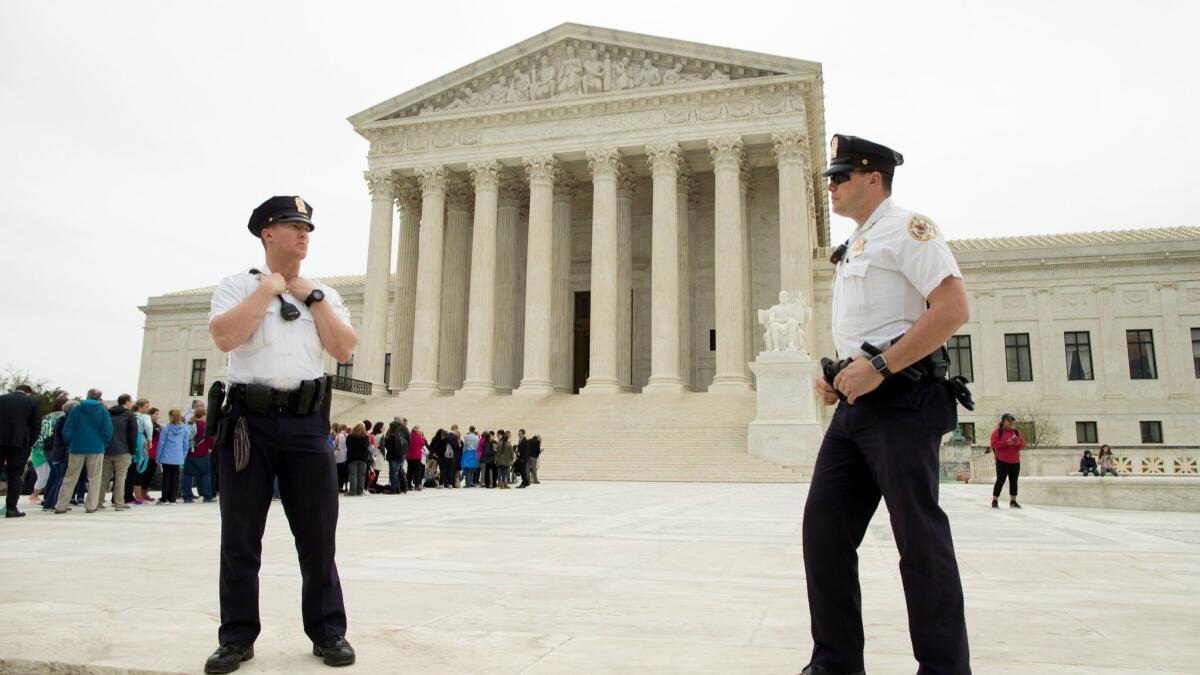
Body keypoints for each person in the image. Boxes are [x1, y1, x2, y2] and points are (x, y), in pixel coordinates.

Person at [803, 134, 972, 675]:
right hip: (855, 408)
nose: (831, 185)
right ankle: (836, 663)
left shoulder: (908, 229)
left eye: (841, 175)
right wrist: (837, 373)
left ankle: (944, 669)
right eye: (831, 176)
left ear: (873, 177)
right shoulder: (854, 243)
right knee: (823, 535)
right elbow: (869, 328)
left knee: (919, 542)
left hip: (903, 402)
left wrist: (878, 368)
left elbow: (952, 309)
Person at [204, 195, 357, 673]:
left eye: (307, 227)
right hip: (249, 425)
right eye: (293, 225)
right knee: (241, 536)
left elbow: (344, 349)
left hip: (308, 425)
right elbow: (226, 337)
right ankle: (236, 638)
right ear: (267, 233)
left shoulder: (324, 294)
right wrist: (267, 291)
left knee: (318, 536)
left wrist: (309, 297)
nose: (303, 234)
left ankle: (329, 631)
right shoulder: (235, 287)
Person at [55, 389, 112, 514]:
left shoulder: (76, 409)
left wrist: (70, 443)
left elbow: (67, 430)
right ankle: (91, 506)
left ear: (87, 396)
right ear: (99, 397)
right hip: (96, 447)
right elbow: (108, 431)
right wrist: (104, 443)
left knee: (70, 477)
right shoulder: (103, 410)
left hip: (76, 447)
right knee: (94, 478)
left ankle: (61, 505)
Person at [0, 384, 42, 517]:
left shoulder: (2, 399)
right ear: (28, 392)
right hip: (20, 443)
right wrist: (30, 442)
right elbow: (36, 426)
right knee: (15, 476)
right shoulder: (33, 402)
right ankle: (11, 508)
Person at [99, 393, 138, 511]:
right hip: (123, 451)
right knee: (120, 478)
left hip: (107, 450)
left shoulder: (107, 414)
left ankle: (97, 502)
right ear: (126, 402)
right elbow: (133, 435)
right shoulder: (130, 416)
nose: (132, 404)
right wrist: (132, 451)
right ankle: (119, 503)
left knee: (103, 478)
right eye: (131, 401)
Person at [29, 396, 66, 506]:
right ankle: (36, 496)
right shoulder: (62, 416)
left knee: (44, 475)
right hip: (51, 447)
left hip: (38, 448)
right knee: (51, 475)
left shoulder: (46, 417)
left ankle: (39, 496)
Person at [41, 398, 74, 512]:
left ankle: (48, 501)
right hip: (61, 450)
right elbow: (66, 436)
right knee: (61, 478)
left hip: (48, 448)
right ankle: (53, 502)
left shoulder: (46, 417)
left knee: (55, 477)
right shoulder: (64, 419)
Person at [988, 413, 1025, 509]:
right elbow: (993, 444)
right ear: (1003, 421)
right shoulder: (997, 432)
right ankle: (994, 500)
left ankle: (1013, 501)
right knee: (1000, 480)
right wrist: (1006, 443)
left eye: (1012, 420)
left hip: (1015, 461)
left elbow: (1023, 445)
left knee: (1014, 481)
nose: (1011, 422)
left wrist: (1017, 443)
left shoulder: (1016, 432)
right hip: (1002, 460)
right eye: (1008, 420)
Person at [182, 404, 215, 503]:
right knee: (205, 475)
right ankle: (207, 496)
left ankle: (187, 497)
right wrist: (210, 447)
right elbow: (209, 438)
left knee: (188, 475)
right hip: (202, 452)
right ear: (204, 414)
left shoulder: (190, 424)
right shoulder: (204, 425)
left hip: (189, 453)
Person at [156, 409, 189, 503]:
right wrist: (183, 457)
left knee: (166, 477)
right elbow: (186, 445)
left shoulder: (166, 428)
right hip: (178, 457)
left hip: (166, 457)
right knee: (175, 478)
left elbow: (161, 444)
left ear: (170, 416)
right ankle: (173, 498)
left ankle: (164, 498)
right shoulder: (184, 429)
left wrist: (158, 458)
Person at [345, 423, 370, 496]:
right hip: (363, 458)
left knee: (353, 475)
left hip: (352, 458)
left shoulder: (350, 437)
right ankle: (359, 491)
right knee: (361, 475)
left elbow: (348, 446)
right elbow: (366, 447)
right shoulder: (365, 437)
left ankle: (352, 492)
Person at [383, 420, 407, 494]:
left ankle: (394, 489)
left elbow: (389, 447)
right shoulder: (399, 435)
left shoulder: (391, 436)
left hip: (393, 457)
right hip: (399, 457)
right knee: (396, 473)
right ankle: (399, 489)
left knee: (393, 473)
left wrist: (385, 441)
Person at [407, 426, 426, 491]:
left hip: (409, 456)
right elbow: (423, 443)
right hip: (416, 456)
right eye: (418, 430)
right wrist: (421, 436)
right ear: (416, 430)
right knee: (417, 471)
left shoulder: (409, 435)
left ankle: (408, 484)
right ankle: (417, 485)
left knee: (410, 471)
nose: (419, 431)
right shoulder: (417, 437)